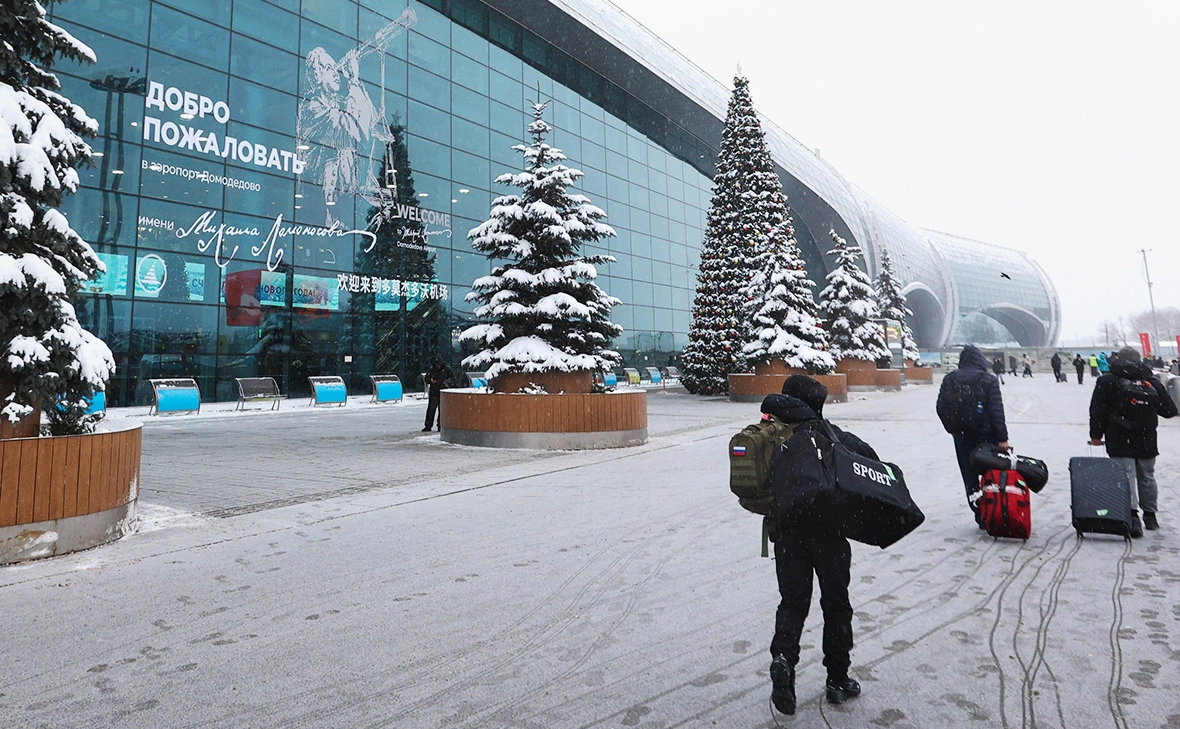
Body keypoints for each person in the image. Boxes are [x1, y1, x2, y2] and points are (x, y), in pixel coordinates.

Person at [763, 375, 872, 715]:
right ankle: (838, 680)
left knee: (793, 603)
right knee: (836, 604)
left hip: (787, 533)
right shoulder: (830, 434)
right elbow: (869, 459)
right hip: (829, 532)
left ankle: (783, 658)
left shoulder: (771, 435)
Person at [1088, 346, 1177, 536]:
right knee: (1147, 477)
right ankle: (1151, 517)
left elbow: (1098, 409)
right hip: (1147, 438)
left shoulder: (1107, 380)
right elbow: (1169, 411)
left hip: (1119, 437)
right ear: (1139, 360)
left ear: (1118, 358)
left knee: (1125, 478)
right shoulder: (1151, 381)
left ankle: (1132, 518)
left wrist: (1096, 435)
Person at [937, 345, 1010, 526]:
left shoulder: (949, 379)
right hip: (987, 436)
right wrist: (1003, 439)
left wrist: (952, 429)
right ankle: (995, 512)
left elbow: (940, 407)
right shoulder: (989, 380)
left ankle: (980, 515)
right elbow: (996, 412)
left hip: (962, 436)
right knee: (991, 473)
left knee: (969, 477)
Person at [423, 357, 453, 432]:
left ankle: (440, 425)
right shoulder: (432, 370)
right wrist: (430, 380)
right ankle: (428, 425)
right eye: (436, 364)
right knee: (431, 410)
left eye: (439, 364)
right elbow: (427, 379)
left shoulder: (447, 370)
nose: (437, 366)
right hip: (434, 392)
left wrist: (445, 383)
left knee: (442, 410)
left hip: (443, 392)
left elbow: (452, 379)